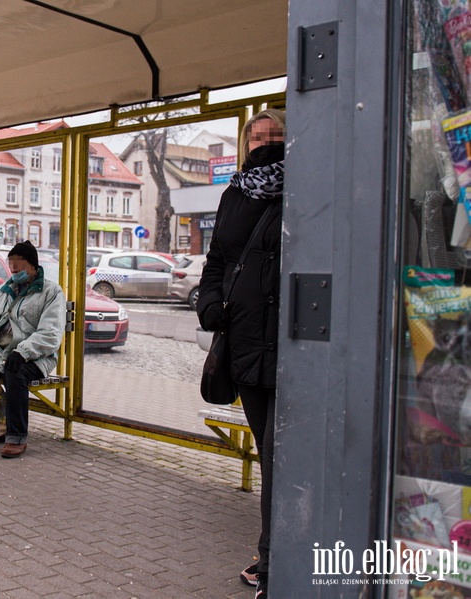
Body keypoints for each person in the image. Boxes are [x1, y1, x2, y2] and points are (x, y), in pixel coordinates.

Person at [196, 108, 286, 599]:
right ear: (247, 140)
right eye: (259, 134)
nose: (267, 141)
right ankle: (272, 552)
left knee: (278, 454)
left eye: (277, 134)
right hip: (246, 343)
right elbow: (217, 260)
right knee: (269, 450)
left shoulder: (308, 184)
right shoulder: (236, 192)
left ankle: (275, 561)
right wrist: (208, 301)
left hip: (293, 344)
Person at [0, 240, 66, 458]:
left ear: (33, 266)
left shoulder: (51, 292)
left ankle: (17, 436)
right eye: (11, 263)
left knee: (14, 373)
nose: (13, 269)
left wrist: (22, 352)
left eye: (19, 264)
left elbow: (50, 333)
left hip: (37, 356)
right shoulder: (1, 292)